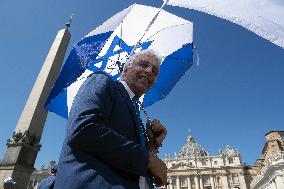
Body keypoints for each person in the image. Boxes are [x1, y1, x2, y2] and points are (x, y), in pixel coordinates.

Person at [54, 49, 167, 189]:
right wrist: (148, 159)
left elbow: (131, 162)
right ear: (126, 70)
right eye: (143, 64)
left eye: (155, 71)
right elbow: (83, 130)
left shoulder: (137, 112)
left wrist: (152, 145)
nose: (149, 71)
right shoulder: (102, 81)